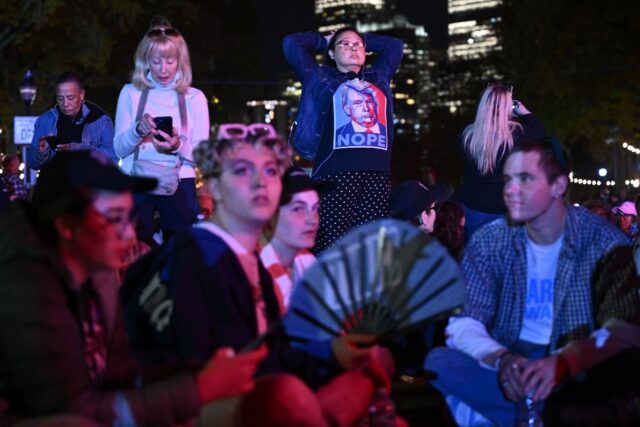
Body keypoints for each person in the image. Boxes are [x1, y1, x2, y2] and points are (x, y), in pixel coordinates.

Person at [124, 124, 399, 426]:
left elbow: (272, 350)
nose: (260, 183)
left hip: (246, 393)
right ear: (214, 187)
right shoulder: (198, 257)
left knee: (366, 370)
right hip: (193, 407)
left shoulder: (249, 261)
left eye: (270, 172)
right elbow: (208, 372)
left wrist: (333, 353)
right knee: (286, 394)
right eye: (242, 171)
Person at [0, 151, 268, 426]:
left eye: (131, 217)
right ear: (66, 225)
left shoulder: (96, 268)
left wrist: (197, 368)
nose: (129, 234)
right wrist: (198, 389)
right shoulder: (27, 289)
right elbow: (73, 409)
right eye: (115, 218)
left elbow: (118, 368)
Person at [424, 139, 640, 427]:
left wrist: (565, 363)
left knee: (627, 365)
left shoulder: (603, 241)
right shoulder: (490, 242)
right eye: (508, 179)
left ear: (558, 186)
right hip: (513, 359)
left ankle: (533, 411)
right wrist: (502, 360)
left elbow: (624, 329)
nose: (512, 190)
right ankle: (545, 412)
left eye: (525, 179)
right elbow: (464, 323)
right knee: (440, 362)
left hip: (578, 360)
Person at [283, 27, 403, 253]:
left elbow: (394, 46)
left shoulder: (378, 77)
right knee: (332, 248)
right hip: (335, 175)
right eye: (345, 45)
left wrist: (363, 38)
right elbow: (291, 43)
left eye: (357, 45)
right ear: (332, 53)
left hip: (377, 176)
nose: (353, 48)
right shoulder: (319, 78)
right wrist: (324, 40)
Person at [114, 25, 209, 245]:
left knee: (180, 256)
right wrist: (137, 131)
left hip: (180, 183)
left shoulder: (195, 98)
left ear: (180, 60)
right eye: (156, 61)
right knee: (134, 254)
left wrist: (177, 146)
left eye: (170, 60)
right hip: (137, 183)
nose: (163, 69)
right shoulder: (130, 92)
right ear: (145, 60)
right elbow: (119, 149)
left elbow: (202, 156)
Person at [458, 83, 545, 241]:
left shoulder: (467, 135)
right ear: (507, 106)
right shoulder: (519, 134)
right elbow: (541, 135)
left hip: (474, 205)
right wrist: (523, 111)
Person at [260, 167, 322, 311]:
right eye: (298, 209)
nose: (312, 220)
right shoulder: (255, 275)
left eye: (315, 208)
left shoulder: (305, 260)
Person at [28, 72, 116, 170]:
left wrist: (82, 150)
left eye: (70, 98)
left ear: (81, 95)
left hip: (90, 183)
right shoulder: (45, 121)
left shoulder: (101, 120)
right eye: (60, 98)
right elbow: (32, 163)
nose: (65, 104)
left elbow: (113, 159)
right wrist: (42, 153)